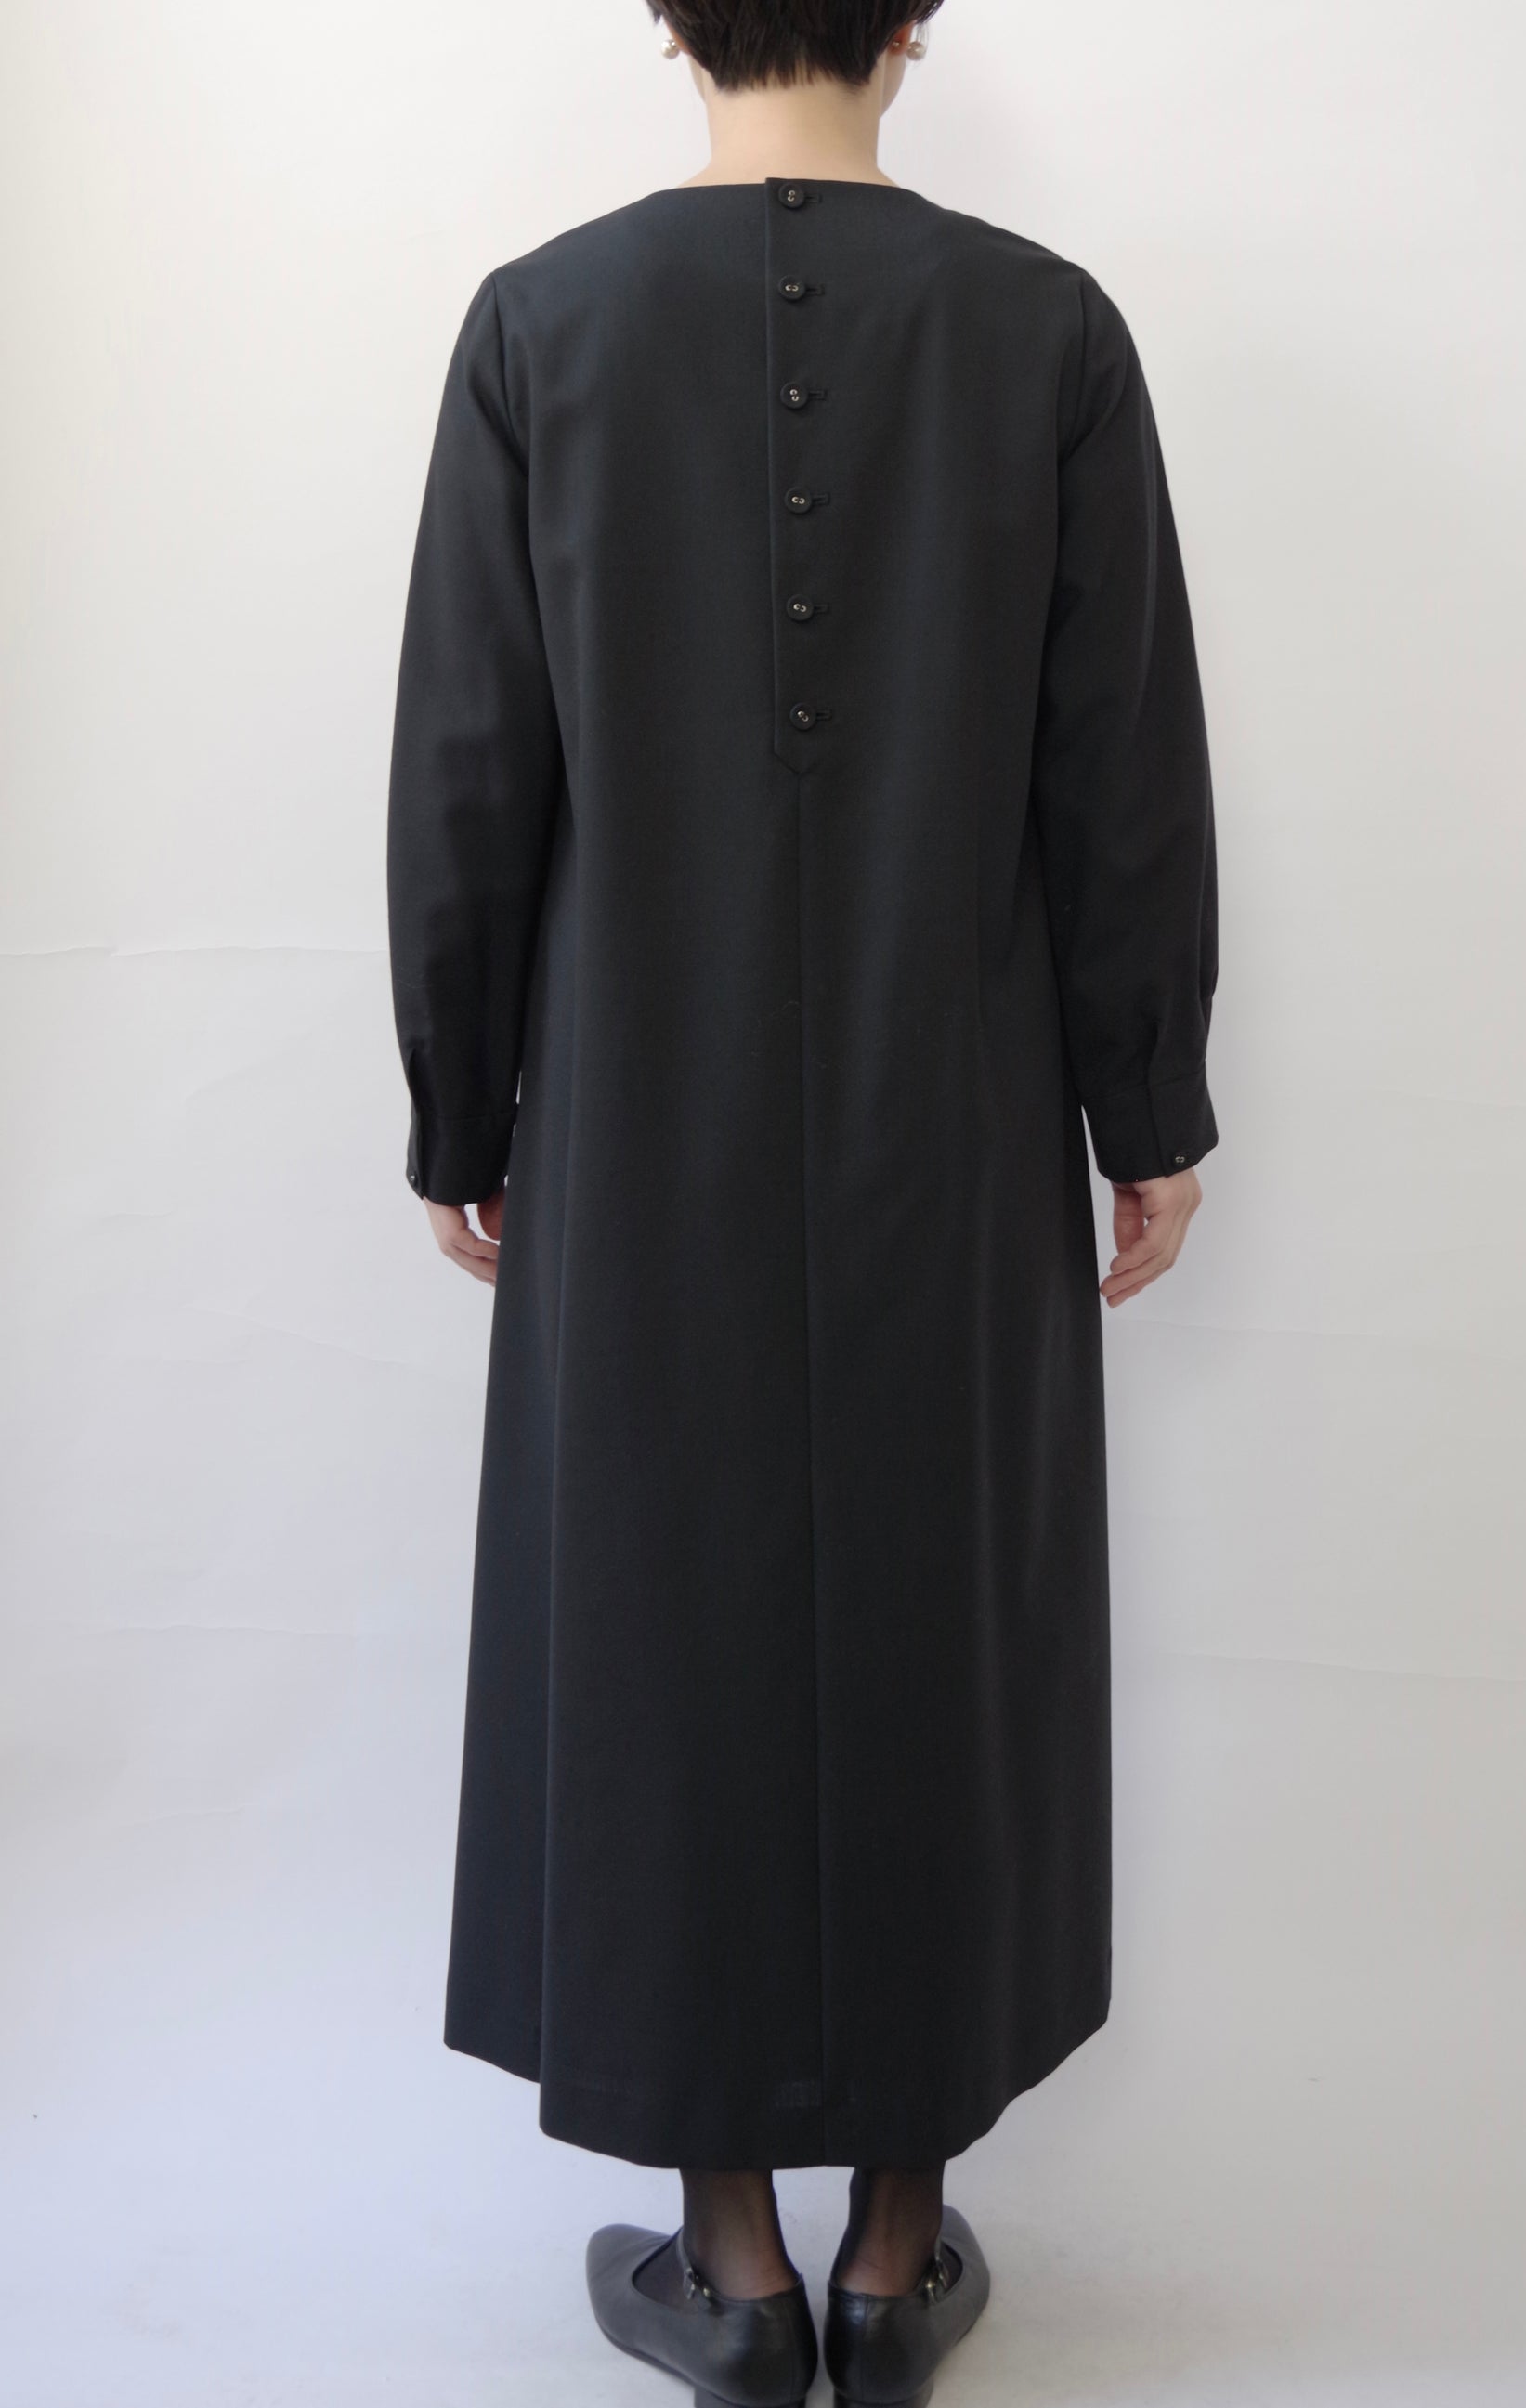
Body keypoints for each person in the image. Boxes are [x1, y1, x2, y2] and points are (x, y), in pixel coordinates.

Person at [385, 2, 1218, 2401]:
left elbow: (469, 759)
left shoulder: (537, 330)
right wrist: (1143, 1096)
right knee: (937, 1612)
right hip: (948, 1121)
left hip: (631, 1121)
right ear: (915, 13)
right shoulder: (1049, 334)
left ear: (668, 15)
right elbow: (1118, 758)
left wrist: (462, 1105)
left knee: (667, 1627)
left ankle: (733, 2272)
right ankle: (892, 2257)